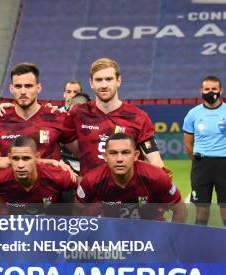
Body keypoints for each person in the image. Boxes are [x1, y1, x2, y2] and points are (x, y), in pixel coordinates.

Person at [66, 57, 165, 176]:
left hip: (127, 192)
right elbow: (54, 137)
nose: (104, 85)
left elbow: (155, 161)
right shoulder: (78, 113)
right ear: (91, 83)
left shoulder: (138, 117)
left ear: (118, 81)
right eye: (98, 80)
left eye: (109, 79)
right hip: (91, 191)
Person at [0, 63, 77, 160]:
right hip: (9, 181)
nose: (23, 91)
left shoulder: (57, 118)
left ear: (38, 88)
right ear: (11, 89)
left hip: (48, 181)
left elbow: (83, 153)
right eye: (18, 86)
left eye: (28, 86)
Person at [75, 133, 186, 222]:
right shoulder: (91, 181)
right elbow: (77, 210)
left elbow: (180, 209)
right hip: (110, 237)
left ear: (136, 156)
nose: (119, 159)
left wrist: (172, 240)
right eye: (113, 153)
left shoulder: (156, 177)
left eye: (126, 153)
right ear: (105, 157)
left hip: (150, 235)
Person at [0, 136, 77, 215]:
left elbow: (87, 185)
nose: (20, 165)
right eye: (15, 159)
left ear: (37, 157)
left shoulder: (58, 177)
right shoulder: (0, 179)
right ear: (9, 158)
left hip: (49, 234)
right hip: (14, 235)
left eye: (26, 158)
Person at [183, 75, 226, 226]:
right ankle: (200, 245)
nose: (210, 92)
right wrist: (197, 162)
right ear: (201, 91)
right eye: (207, 89)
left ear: (221, 90)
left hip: (224, 164)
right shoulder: (193, 114)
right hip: (201, 165)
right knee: (202, 212)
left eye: (214, 89)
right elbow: (188, 143)